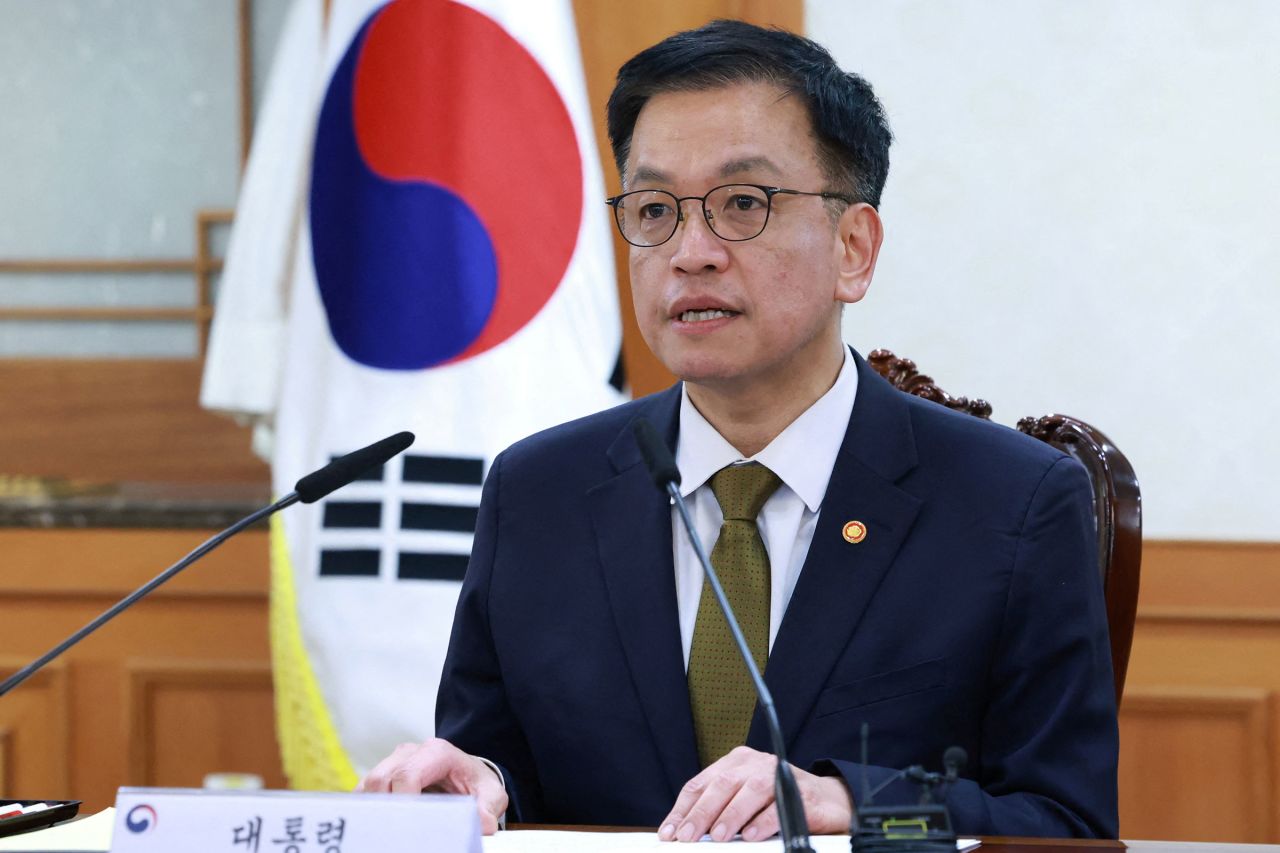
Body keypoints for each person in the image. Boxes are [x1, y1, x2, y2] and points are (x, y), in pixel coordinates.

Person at [356, 19, 1118, 841]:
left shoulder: (1011, 502)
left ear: (853, 249)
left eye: (743, 204)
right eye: (654, 209)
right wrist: (479, 786)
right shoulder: (539, 491)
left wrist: (855, 804)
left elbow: (1062, 821)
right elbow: (510, 772)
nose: (690, 252)